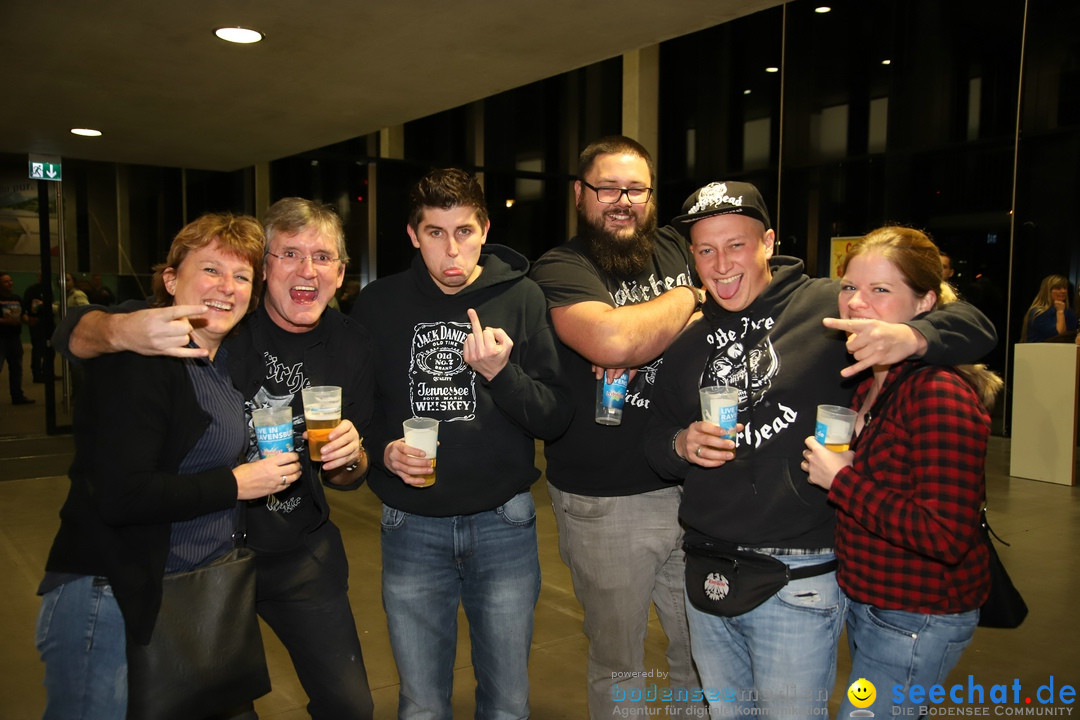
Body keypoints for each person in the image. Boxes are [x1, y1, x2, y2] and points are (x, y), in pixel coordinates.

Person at [643, 181, 997, 716]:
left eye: (736, 245)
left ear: (768, 242)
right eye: (706, 250)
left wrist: (915, 337)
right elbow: (653, 439)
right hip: (707, 564)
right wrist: (680, 443)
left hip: (799, 573)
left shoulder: (830, 305)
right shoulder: (687, 341)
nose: (721, 264)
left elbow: (974, 325)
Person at [53, 198, 376, 720]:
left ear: (340, 273)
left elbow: (350, 476)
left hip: (294, 553)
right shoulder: (201, 328)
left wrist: (351, 457)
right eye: (290, 254)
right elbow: (75, 329)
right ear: (267, 268)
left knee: (350, 706)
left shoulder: (348, 344)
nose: (307, 270)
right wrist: (120, 331)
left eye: (322, 257)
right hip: (194, 561)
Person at [351, 168, 571, 719]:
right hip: (410, 524)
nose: (452, 250)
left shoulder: (522, 297)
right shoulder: (378, 304)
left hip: (504, 522)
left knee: (508, 703)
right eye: (435, 233)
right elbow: (359, 413)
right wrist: (383, 452)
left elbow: (555, 417)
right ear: (412, 235)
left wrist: (502, 375)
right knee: (422, 703)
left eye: (465, 232)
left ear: (485, 229)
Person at [529, 136, 704, 718]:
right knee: (620, 665)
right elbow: (613, 341)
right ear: (581, 195)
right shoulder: (560, 267)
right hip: (606, 500)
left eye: (635, 189)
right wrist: (686, 300)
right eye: (607, 188)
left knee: (701, 655)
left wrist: (656, 324)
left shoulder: (675, 246)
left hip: (693, 484)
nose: (622, 201)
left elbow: (732, 300)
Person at [800, 226, 1000, 716]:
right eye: (850, 287)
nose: (857, 302)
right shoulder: (870, 383)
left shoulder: (937, 393)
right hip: (875, 604)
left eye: (881, 289)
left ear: (926, 303)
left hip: (918, 614)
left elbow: (946, 535)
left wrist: (842, 481)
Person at [1, 272, 35, 404]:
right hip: (1, 338)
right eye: (6, 282)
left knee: (16, 369)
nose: (10, 283)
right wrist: (6, 321)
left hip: (14, 338)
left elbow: (22, 315)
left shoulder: (16, 298)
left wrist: (27, 320)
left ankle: (17, 396)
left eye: (10, 281)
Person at [1020, 273, 1077, 342]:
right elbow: (1059, 336)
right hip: (1040, 348)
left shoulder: (1069, 311)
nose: (1063, 291)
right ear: (1048, 291)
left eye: (1065, 288)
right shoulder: (1038, 312)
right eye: (1058, 288)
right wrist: (1060, 312)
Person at [21, 272, 54, 383]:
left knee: (51, 348)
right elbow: (26, 305)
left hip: (48, 322)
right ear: (38, 277)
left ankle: (48, 371)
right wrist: (28, 317)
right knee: (38, 349)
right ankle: (37, 374)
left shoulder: (49, 289)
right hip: (36, 322)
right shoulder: (32, 290)